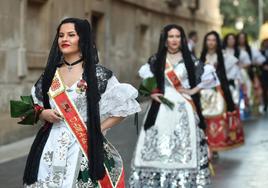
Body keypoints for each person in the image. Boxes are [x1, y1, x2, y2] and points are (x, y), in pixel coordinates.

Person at [22, 18, 140, 187]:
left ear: (83, 39)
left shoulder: (97, 74)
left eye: (71, 35)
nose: (64, 39)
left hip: (84, 143)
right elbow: (34, 105)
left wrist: (97, 130)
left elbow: (123, 107)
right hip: (51, 143)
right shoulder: (50, 75)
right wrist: (42, 113)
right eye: (61, 35)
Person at [129, 24, 217, 188]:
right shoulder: (156, 60)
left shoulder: (191, 60)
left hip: (183, 107)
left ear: (182, 39)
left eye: (177, 36)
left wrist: (193, 91)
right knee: (157, 145)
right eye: (171, 36)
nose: (174, 40)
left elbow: (210, 78)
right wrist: (151, 93)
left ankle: (182, 182)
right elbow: (146, 82)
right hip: (160, 108)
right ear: (165, 39)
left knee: (183, 145)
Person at [200, 31, 244, 155]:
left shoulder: (224, 56)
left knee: (217, 119)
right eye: (208, 40)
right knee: (204, 119)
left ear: (217, 42)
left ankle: (215, 144)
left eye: (213, 40)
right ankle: (206, 143)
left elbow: (231, 70)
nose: (211, 42)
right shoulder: (201, 56)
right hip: (203, 92)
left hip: (218, 91)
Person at [236, 32, 266, 117]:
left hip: (249, 74)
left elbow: (260, 59)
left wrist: (254, 63)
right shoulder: (235, 49)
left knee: (251, 90)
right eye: (240, 38)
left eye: (243, 37)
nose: (241, 39)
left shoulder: (250, 49)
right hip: (236, 75)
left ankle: (250, 108)